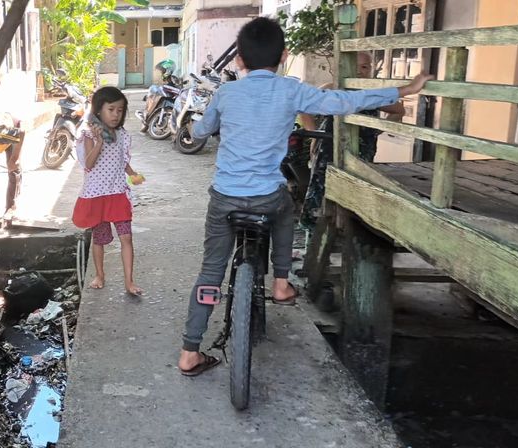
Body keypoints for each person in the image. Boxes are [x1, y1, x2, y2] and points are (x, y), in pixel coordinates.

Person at [176, 17, 431, 376]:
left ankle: (190, 350)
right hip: (266, 196)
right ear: (283, 55)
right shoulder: (291, 89)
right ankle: (281, 282)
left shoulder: (225, 93)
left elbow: (202, 130)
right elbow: (342, 101)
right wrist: (402, 90)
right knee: (282, 208)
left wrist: (204, 125)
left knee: (211, 270)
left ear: (239, 61)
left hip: (225, 198)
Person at [298, 51, 405, 230]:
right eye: (355, 66)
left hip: (361, 152)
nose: (360, 71)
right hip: (329, 149)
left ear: (371, 70)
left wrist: (376, 129)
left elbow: (399, 111)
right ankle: (315, 233)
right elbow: (303, 107)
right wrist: (314, 133)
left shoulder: (373, 95)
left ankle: (351, 233)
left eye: (365, 67)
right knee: (322, 189)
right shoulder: (332, 89)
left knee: (359, 190)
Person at [72, 86, 144, 296]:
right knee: (99, 239)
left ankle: (129, 282)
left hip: (118, 193)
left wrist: (132, 174)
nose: (115, 114)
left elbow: (122, 160)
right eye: (111, 109)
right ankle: (99, 275)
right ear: (98, 110)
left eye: (120, 110)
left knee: (126, 238)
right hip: (96, 195)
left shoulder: (121, 134)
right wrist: (99, 142)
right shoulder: (88, 133)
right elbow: (88, 164)